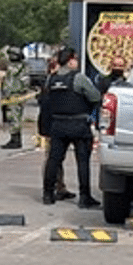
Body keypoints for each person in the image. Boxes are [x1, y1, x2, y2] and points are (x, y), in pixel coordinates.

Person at [42, 47, 102, 208]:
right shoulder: (79, 78)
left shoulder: (51, 79)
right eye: (75, 58)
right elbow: (95, 97)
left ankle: (48, 194)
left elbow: (46, 101)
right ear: (70, 60)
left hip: (58, 125)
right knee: (82, 161)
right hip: (79, 125)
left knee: (54, 160)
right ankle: (84, 197)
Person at [36, 56, 75, 201]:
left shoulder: (50, 82)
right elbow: (47, 106)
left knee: (56, 158)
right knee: (52, 158)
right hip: (52, 124)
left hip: (52, 124)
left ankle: (59, 186)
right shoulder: (52, 82)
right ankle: (53, 188)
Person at [0, 46, 30, 149]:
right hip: (9, 95)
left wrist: (22, 94)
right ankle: (13, 138)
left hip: (16, 95)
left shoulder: (22, 67)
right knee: (10, 117)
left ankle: (16, 140)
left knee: (15, 118)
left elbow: (25, 81)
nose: (11, 56)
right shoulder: (11, 66)